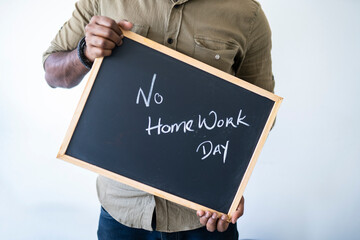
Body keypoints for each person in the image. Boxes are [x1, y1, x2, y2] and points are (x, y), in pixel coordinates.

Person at [43, 0, 274, 239]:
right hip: (122, 212)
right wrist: (85, 52)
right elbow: (52, 72)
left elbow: (259, 117)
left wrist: (229, 189)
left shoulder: (247, 13)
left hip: (202, 218)